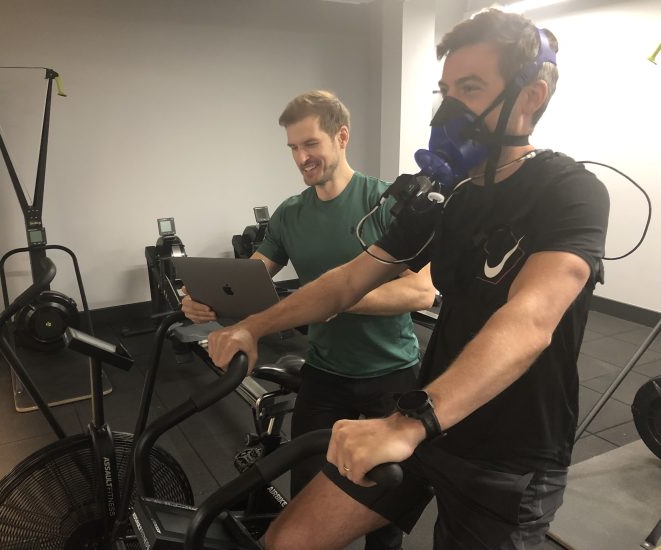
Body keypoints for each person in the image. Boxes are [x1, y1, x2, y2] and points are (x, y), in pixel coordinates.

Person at [207, 9, 610, 550]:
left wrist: (408, 423)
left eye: (470, 88)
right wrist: (254, 325)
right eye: (446, 89)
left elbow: (530, 320)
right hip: (428, 423)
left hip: (508, 455)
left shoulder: (569, 190)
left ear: (532, 96)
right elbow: (348, 280)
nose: (449, 108)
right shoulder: (450, 198)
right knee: (288, 541)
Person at [182, 90, 436, 550]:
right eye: (293, 148)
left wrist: (334, 297)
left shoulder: (386, 203)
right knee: (305, 502)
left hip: (391, 373)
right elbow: (250, 280)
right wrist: (206, 302)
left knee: (383, 512)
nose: (301, 157)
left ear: (341, 137)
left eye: (310, 144)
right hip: (325, 371)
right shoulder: (291, 213)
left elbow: (421, 291)